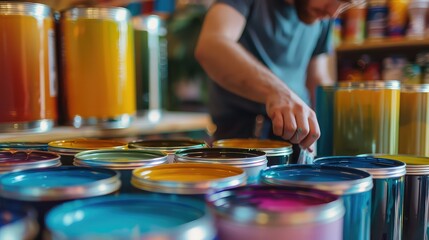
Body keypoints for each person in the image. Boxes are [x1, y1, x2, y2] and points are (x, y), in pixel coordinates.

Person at [195, 0, 364, 157]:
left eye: (345, 3)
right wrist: (277, 92)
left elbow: (317, 77)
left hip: (300, 142)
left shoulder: (321, 13)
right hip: (242, 142)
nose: (334, 12)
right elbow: (211, 45)